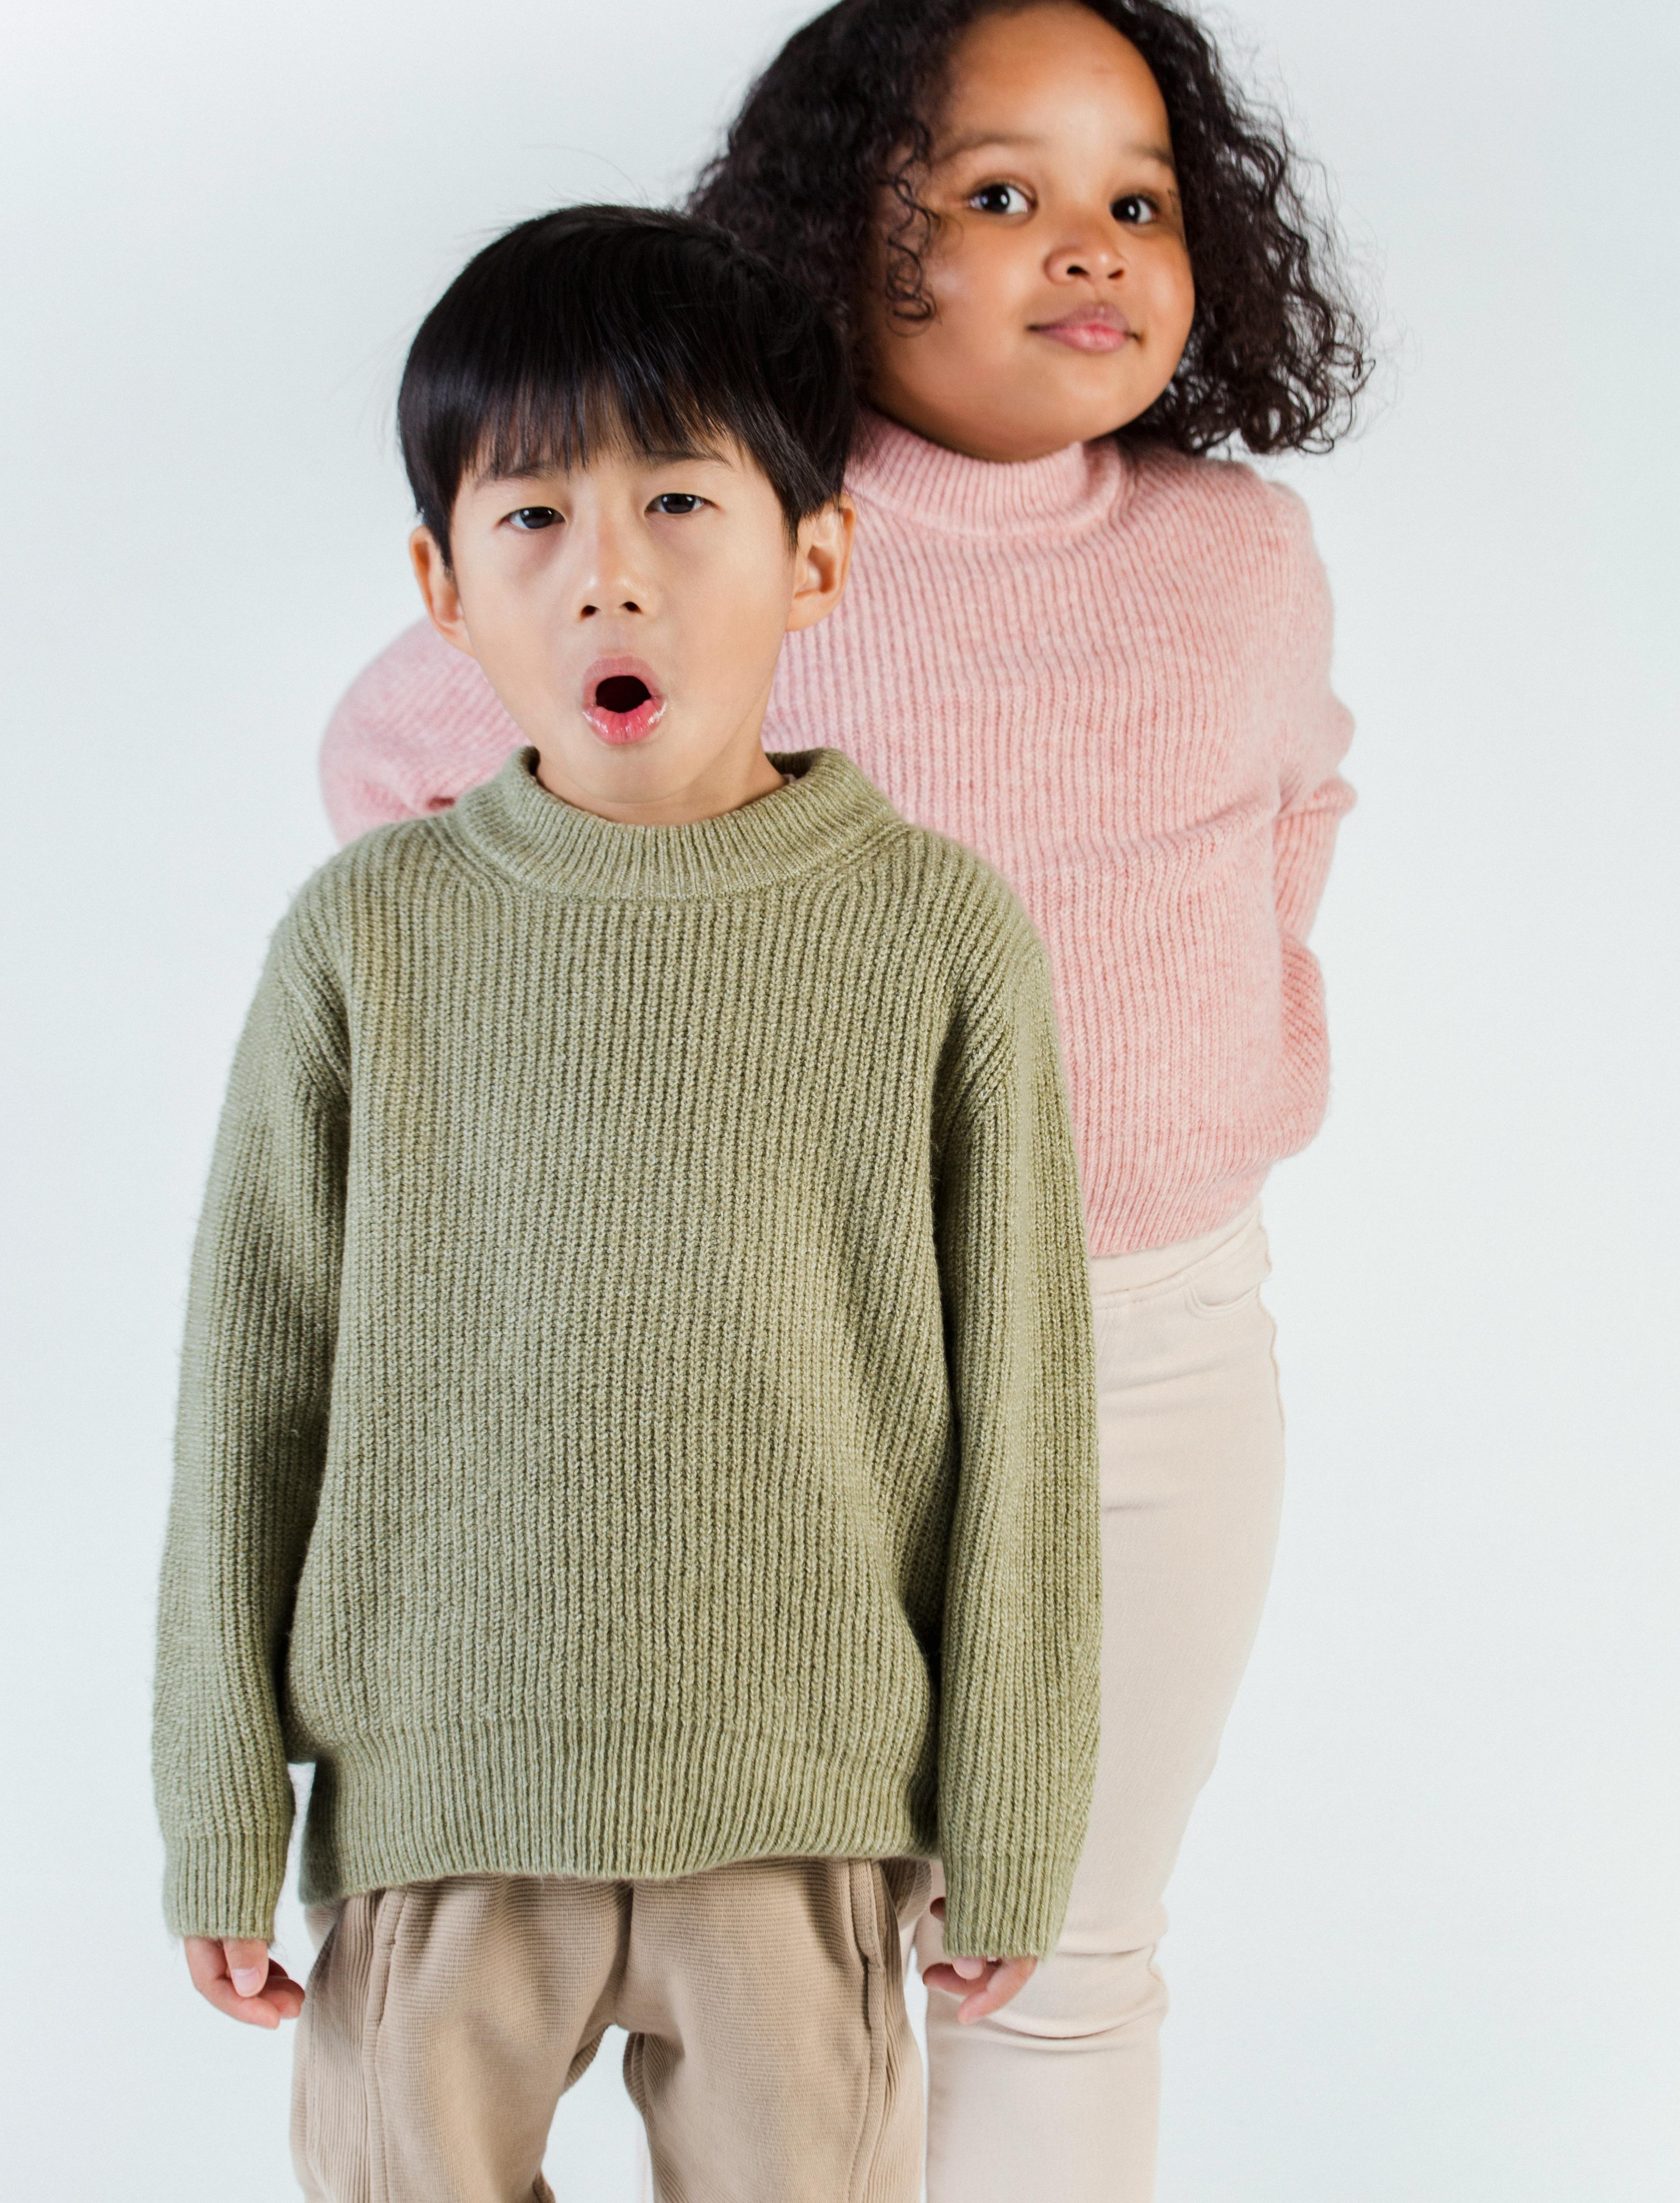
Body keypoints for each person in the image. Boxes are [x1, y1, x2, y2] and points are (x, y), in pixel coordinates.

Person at [317, 0, 1369, 2203]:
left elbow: (1299, 811)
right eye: (999, 191)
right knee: (780, 1948)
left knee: (1059, 1942)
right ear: (831, 240)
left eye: (1143, 198)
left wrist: (1223, 1064)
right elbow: (409, 769)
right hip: (777, 1357)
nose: (1090, 245)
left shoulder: (1236, 559)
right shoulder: (725, 527)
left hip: (1147, 1339)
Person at [153, 205, 1102, 2203]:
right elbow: (249, 1398)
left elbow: (1027, 1404)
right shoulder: (365, 942)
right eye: (532, 520)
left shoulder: (936, 936)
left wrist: (1009, 1804)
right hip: (441, 1795)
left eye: (682, 500)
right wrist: (221, 1798)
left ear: (817, 555)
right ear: (438, 581)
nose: (612, 578)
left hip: (804, 1802)